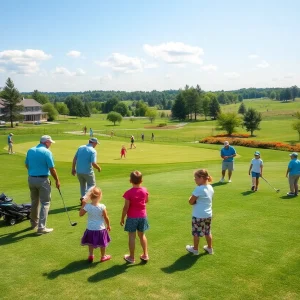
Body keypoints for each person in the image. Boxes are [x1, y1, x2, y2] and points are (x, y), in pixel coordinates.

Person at [25, 135, 60, 234]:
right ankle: (41, 227)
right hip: (43, 180)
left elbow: (27, 164)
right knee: (45, 203)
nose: (51, 145)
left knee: (34, 201)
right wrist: (57, 180)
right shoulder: (47, 152)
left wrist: (33, 172)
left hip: (31, 179)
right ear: (46, 142)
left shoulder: (30, 150)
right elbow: (52, 168)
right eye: (50, 143)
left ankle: (33, 223)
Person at [120, 171, 149, 263]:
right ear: (142, 180)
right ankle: (145, 254)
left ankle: (131, 257)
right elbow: (146, 200)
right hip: (143, 216)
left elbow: (126, 207)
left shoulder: (128, 193)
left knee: (132, 236)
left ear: (130, 181)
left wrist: (122, 218)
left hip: (132, 217)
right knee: (142, 235)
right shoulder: (144, 190)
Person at [186, 169, 214, 255]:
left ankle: (195, 249)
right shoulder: (210, 187)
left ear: (201, 178)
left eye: (196, 178)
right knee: (207, 232)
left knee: (196, 233)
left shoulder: (199, 189)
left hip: (198, 215)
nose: (194, 179)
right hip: (208, 214)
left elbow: (191, 201)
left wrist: (189, 198)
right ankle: (210, 248)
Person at [79, 186, 111, 263]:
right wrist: (108, 225)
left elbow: (80, 214)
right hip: (100, 228)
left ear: (90, 197)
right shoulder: (102, 206)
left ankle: (91, 255)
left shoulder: (87, 206)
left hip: (90, 228)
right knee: (102, 243)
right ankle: (103, 256)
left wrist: (83, 204)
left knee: (90, 242)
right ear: (100, 196)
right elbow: (106, 217)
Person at [72, 137, 101, 204]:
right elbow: (93, 163)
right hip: (88, 172)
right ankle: (84, 198)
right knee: (92, 185)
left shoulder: (81, 147)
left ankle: (83, 199)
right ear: (93, 143)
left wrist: (73, 168)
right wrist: (99, 168)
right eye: (96, 143)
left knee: (82, 185)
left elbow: (74, 159)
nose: (96, 145)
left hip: (79, 171)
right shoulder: (93, 151)